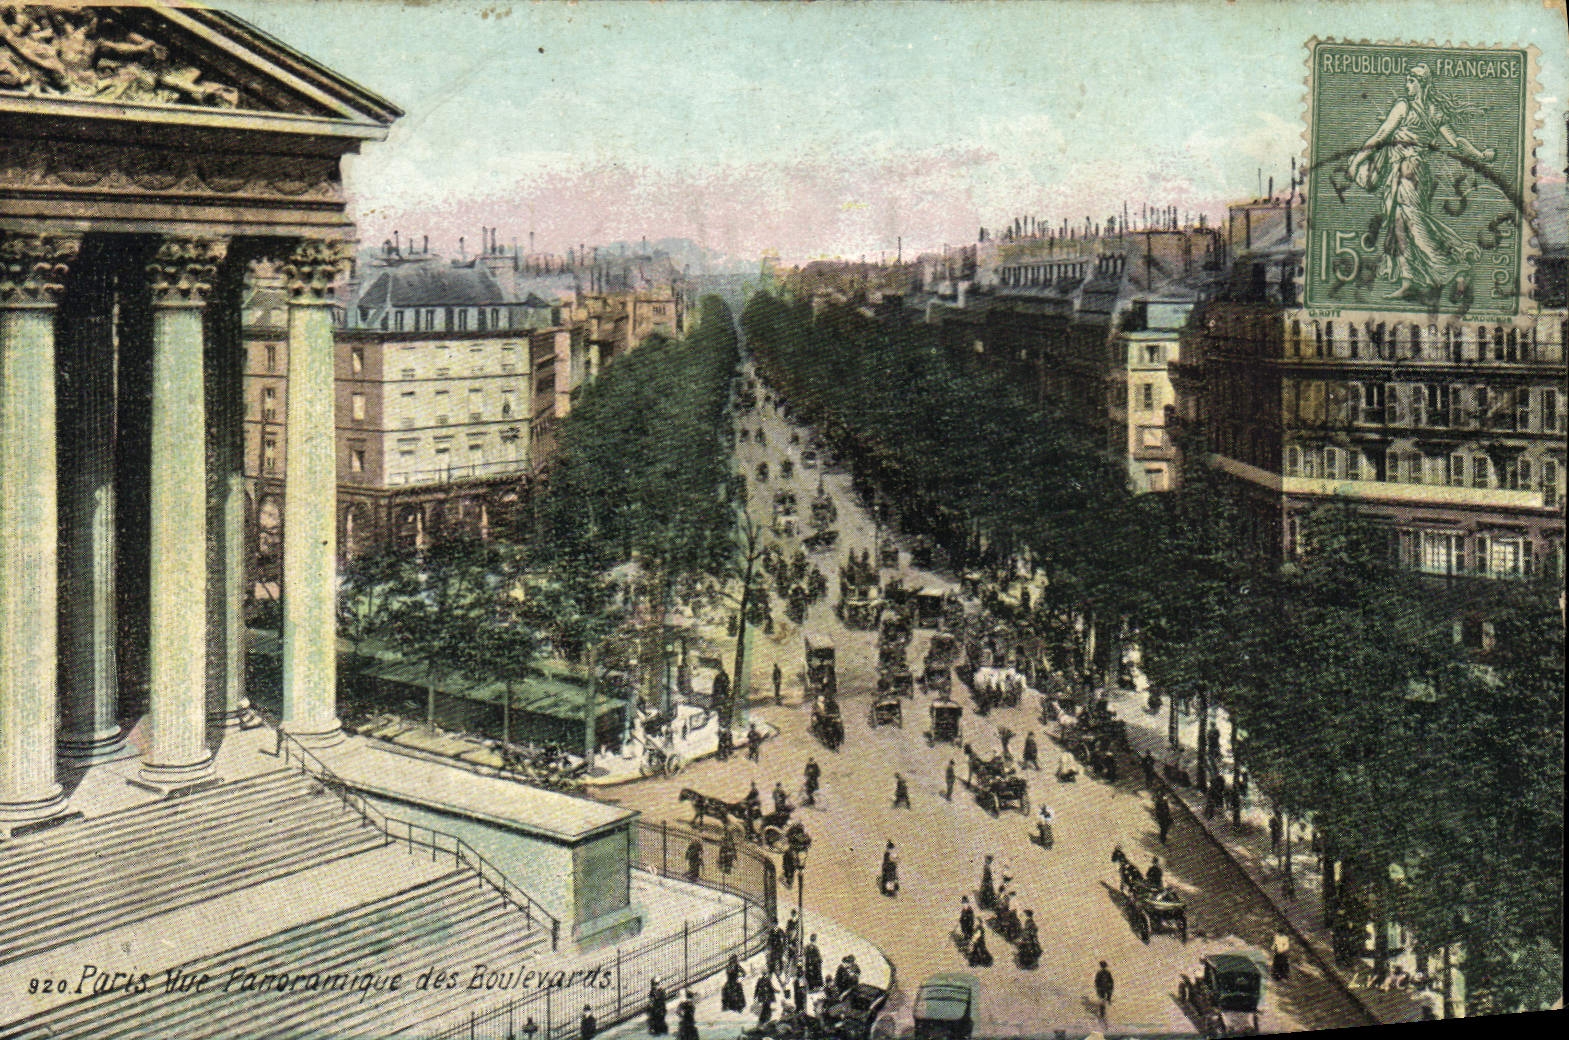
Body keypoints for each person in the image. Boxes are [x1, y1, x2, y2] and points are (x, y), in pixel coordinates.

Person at [1348, 63, 1494, 301]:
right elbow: (1456, 141)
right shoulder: (1435, 111)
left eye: (1410, 81)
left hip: (1407, 172)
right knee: (1399, 225)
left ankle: (1455, 267)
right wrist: (1480, 154)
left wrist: (1356, 160)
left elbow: (1381, 136)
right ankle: (1408, 281)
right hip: (1417, 172)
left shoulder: (1403, 107)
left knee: (1416, 225)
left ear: (1420, 83)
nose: (1407, 85)